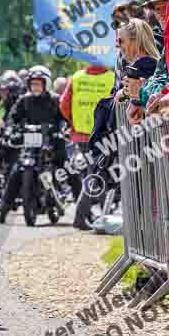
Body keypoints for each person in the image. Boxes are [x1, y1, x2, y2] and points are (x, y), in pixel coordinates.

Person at [0, 66, 70, 224]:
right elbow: (12, 118)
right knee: (17, 170)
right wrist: (9, 130)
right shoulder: (24, 100)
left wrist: (62, 129)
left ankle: (83, 210)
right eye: (33, 84)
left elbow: (64, 117)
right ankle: (3, 211)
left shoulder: (55, 99)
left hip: (51, 138)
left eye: (38, 84)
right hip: (32, 138)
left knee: (66, 166)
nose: (35, 87)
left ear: (45, 84)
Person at [60, 58, 115, 230]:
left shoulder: (76, 78)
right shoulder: (112, 78)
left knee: (95, 175)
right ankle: (85, 217)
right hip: (103, 135)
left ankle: (99, 217)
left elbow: (63, 105)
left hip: (82, 136)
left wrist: (74, 123)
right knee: (95, 176)